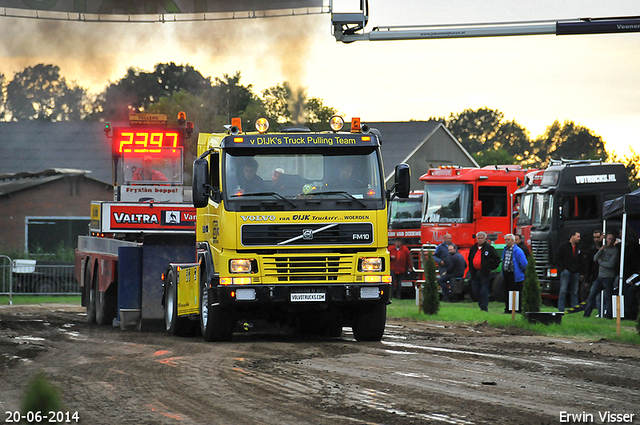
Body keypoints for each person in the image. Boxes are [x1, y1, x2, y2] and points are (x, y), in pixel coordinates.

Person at [583, 231, 619, 318]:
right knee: (591, 295)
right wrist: (600, 250)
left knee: (608, 297)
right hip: (600, 277)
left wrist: (601, 262)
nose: (610, 241)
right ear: (606, 239)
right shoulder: (603, 249)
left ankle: (609, 315)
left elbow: (610, 264)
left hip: (609, 277)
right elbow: (594, 258)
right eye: (609, 238)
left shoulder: (615, 251)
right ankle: (587, 314)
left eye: (612, 239)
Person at [468, 231, 501, 312]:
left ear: (485, 239)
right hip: (475, 272)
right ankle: (480, 304)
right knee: (476, 290)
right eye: (478, 238)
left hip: (485, 273)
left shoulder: (489, 248)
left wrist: (490, 267)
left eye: (481, 238)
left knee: (484, 290)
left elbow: (497, 259)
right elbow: (470, 259)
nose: (480, 240)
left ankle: (484, 307)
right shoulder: (473, 248)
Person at [555, 230, 584, 312]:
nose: (579, 238)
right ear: (572, 236)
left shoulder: (579, 247)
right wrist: (563, 268)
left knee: (575, 291)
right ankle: (561, 308)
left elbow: (581, 260)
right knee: (563, 290)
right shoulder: (563, 246)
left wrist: (581, 272)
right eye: (577, 236)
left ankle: (574, 307)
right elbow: (557, 258)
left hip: (576, 271)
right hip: (566, 270)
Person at [502, 233, 528, 313]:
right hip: (507, 273)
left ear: (513, 241)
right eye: (506, 239)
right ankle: (508, 308)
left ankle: (517, 308)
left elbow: (524, 263)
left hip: (515, 274)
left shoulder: (518, 251)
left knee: (516, 292)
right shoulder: (505, 250)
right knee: (507, 291)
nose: (507, 241)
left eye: (508, 239)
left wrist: (521, 273)